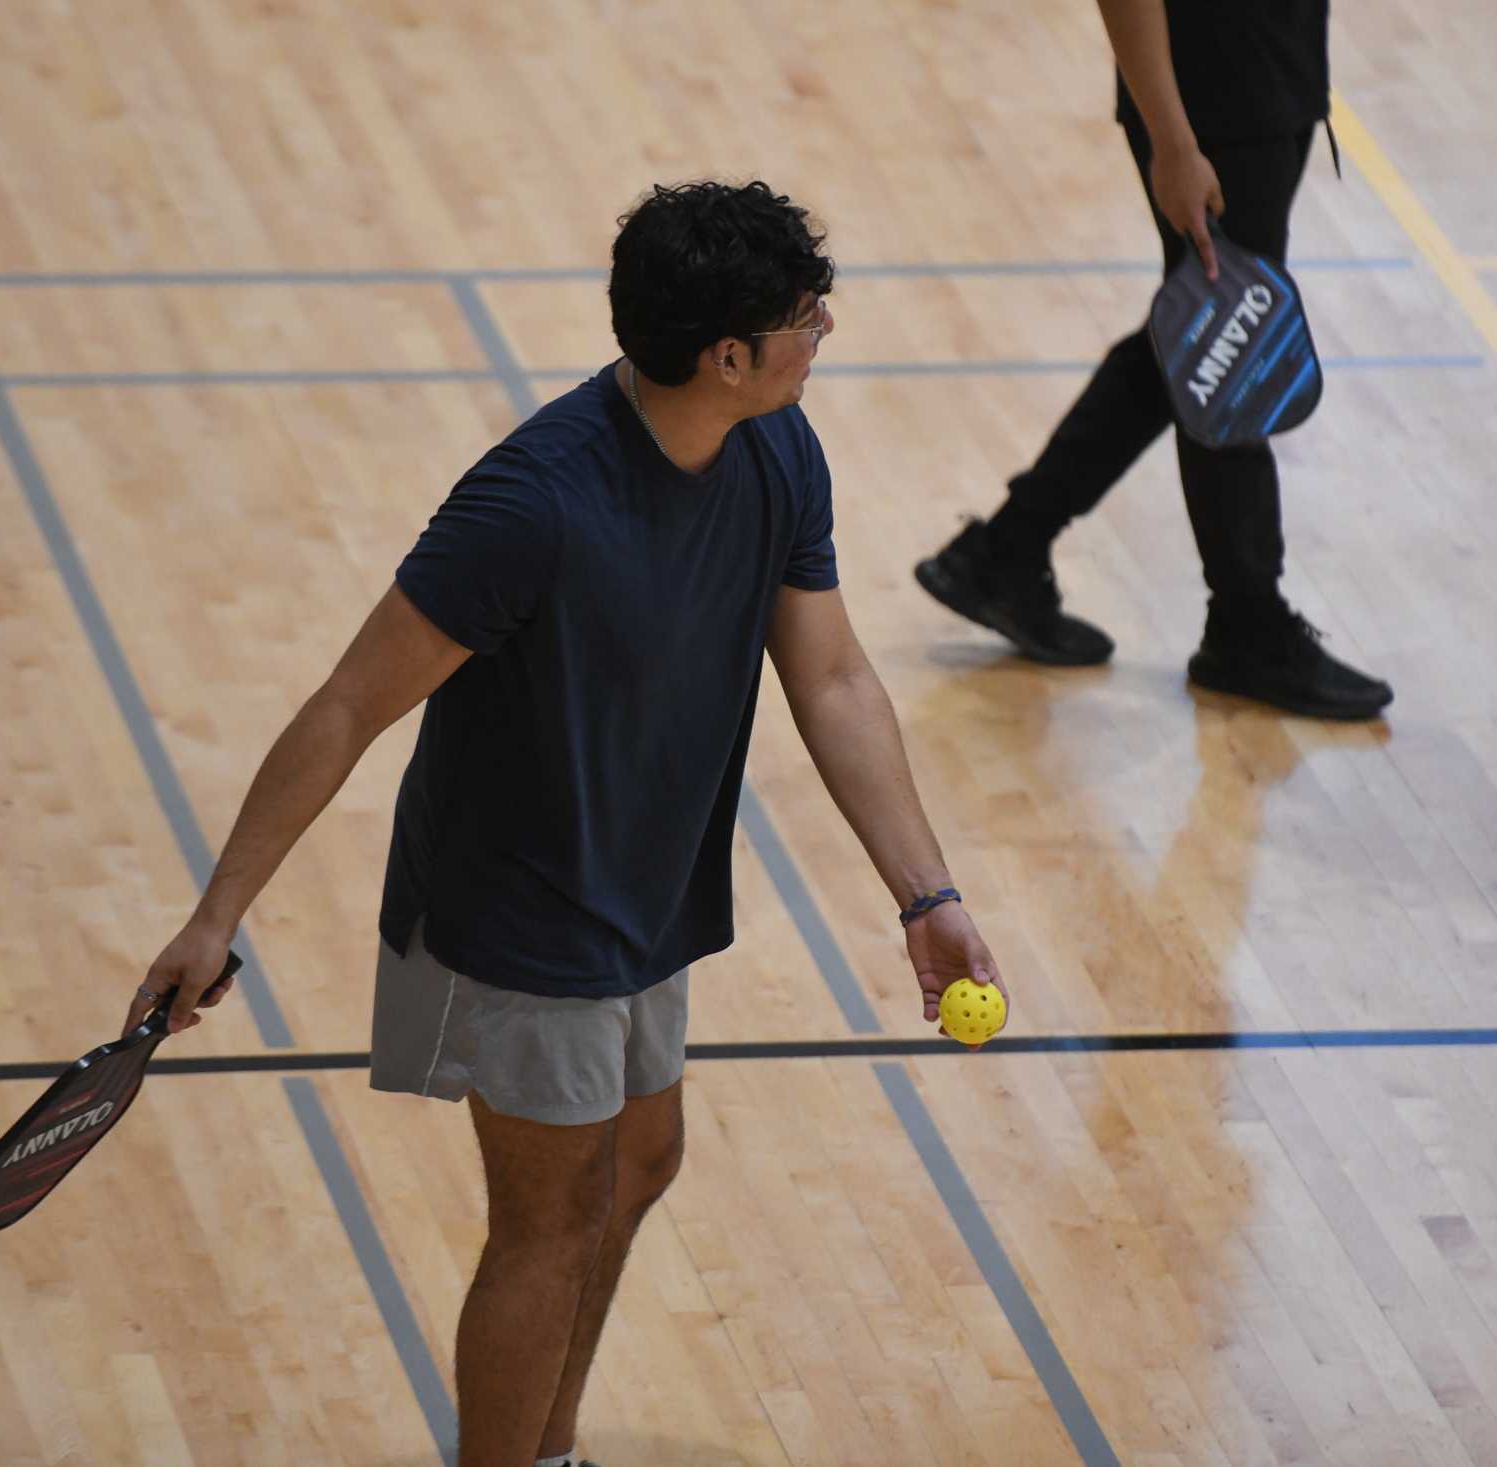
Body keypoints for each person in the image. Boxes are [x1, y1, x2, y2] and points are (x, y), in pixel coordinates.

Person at [128, 180, 1006, 1467]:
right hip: (518, 908)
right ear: (728, 355)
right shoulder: (532, 503)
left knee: (641, 1163)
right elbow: (344, 709)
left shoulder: (775, 452)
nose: (825, 329)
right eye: (808, 316)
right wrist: (216, 916)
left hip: (645, 884)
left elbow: (830, 678)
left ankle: (547, 1450)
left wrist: (927, 897)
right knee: (548, 1221)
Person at [915, 0, 1394, 720]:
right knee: (1228, 351)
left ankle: (1007, 552)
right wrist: (1173, 141)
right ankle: (1245, 620)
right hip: (1211, 110)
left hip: (1273, 85)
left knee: (1208, 341)